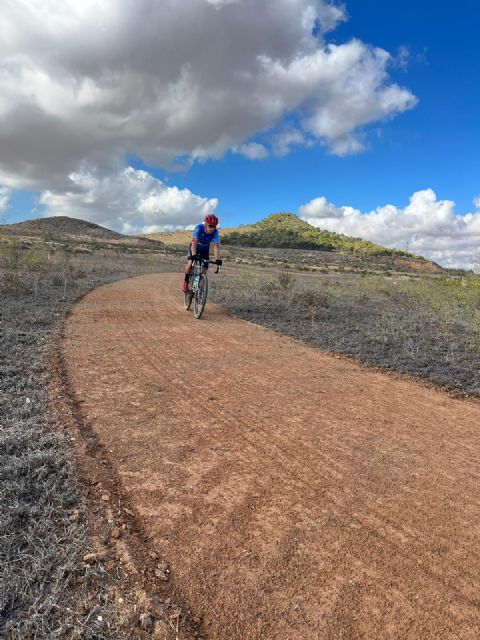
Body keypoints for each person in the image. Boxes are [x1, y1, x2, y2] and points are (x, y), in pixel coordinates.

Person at [182, 214, 222, 293]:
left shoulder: (215, 233)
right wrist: (193, 255)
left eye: (214, 226)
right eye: (210, 226)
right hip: (195, 248)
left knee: (204, 270)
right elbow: (194, 243)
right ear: (206, 224)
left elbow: (216, 246)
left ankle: (198, 287)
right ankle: (186, 282)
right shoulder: (199, 228)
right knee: (190, 265)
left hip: (205, 250)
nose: (212, 228)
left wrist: (217, 259)